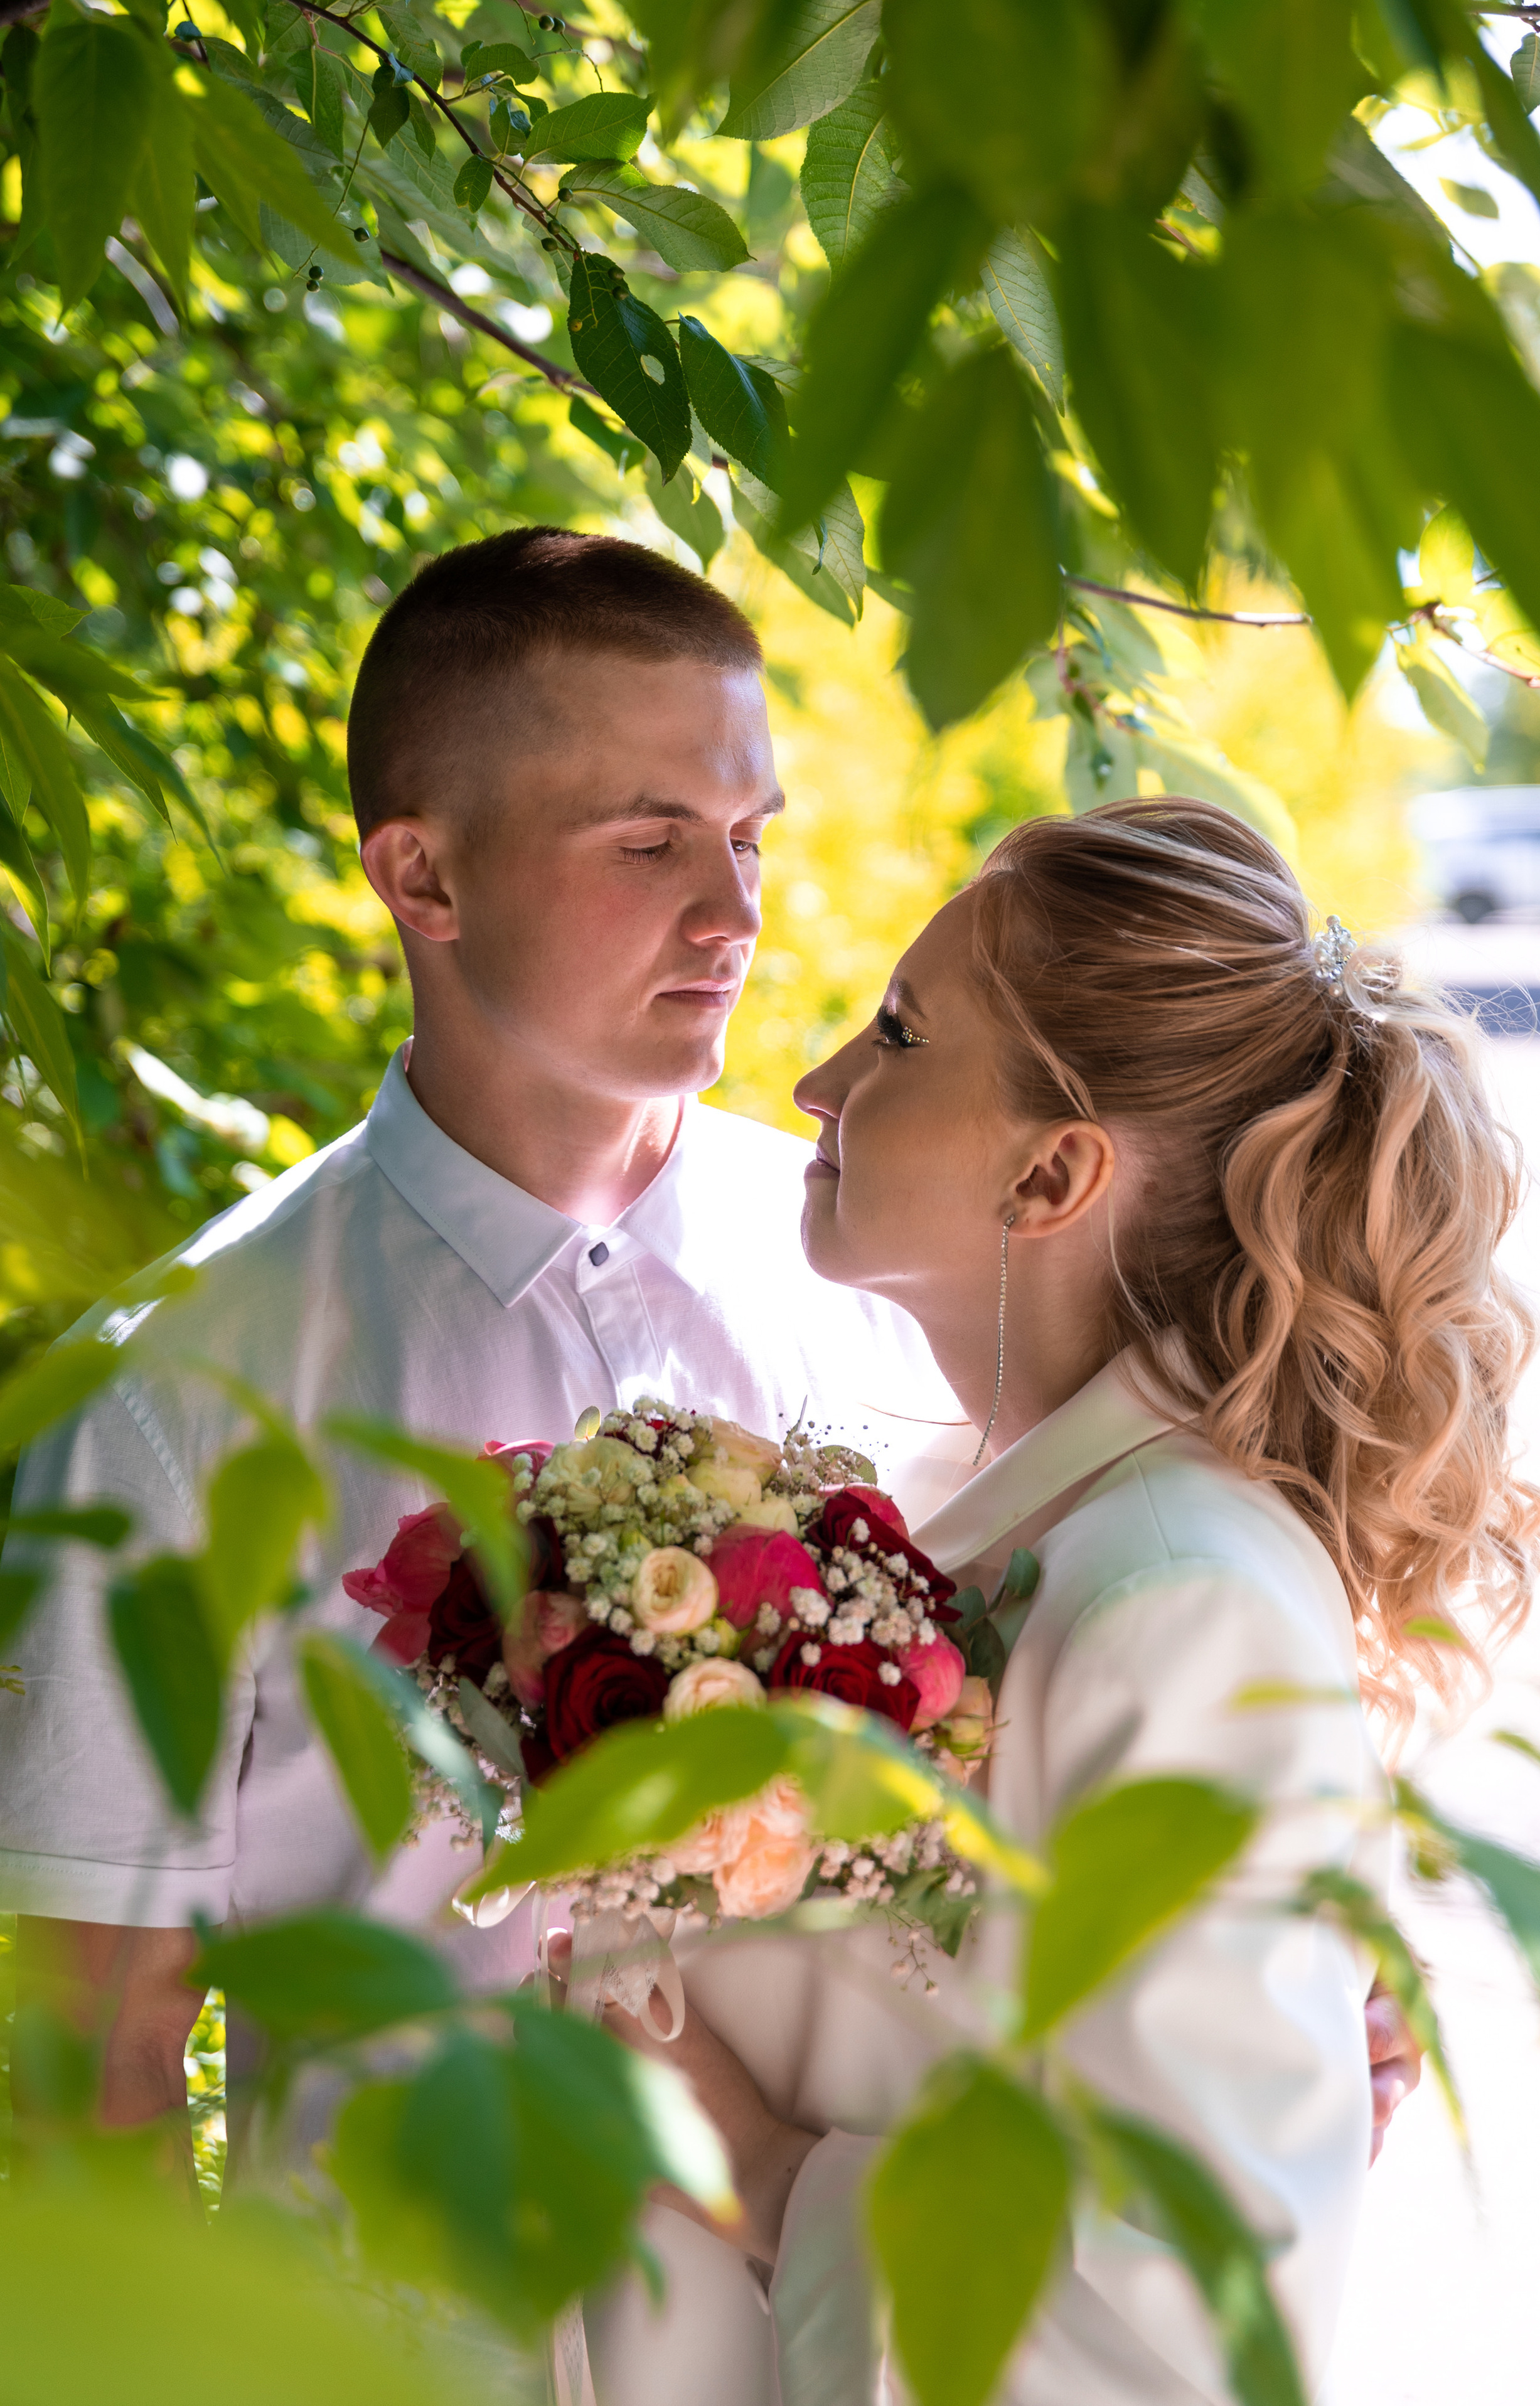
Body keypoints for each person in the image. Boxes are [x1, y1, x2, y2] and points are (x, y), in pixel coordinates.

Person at [574, 799, 1540, 2406]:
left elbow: (1168, 2337)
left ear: (1049, 1173)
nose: (818, 1081)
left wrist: (746, 2161)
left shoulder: (1178, 1608)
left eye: (898, 1034)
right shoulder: (951, 1500)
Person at [0, 527, 958, 2139]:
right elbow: (99, 2074)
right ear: (422, 878)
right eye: (649, 843)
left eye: (747, 836)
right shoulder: (175, 1397)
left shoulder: (888, 1282)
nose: (731, 911)